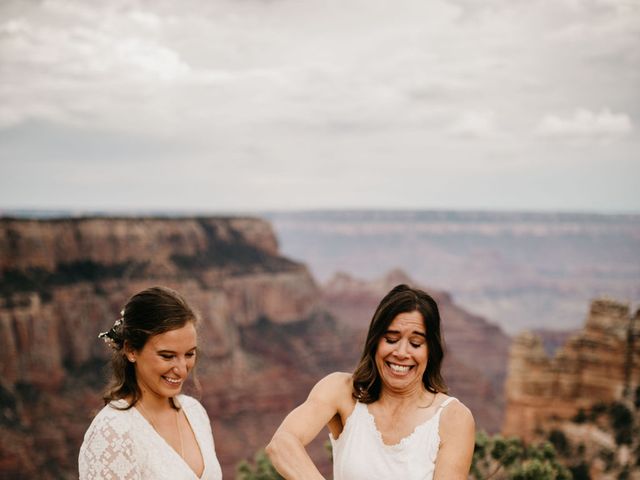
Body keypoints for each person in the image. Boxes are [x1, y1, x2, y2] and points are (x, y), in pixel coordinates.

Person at [266, 284, 475, 480]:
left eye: (416, 343)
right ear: (374, 341)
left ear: (431, 350)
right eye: (391, 339)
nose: (401, 353)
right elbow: (282, 444)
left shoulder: (453, 418)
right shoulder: (340, 391)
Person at [79, 286, 223, 480]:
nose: (181, 369)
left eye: (189, 354)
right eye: (167, 356)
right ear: (131, 350)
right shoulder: (112, 433)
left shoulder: (194, 411)